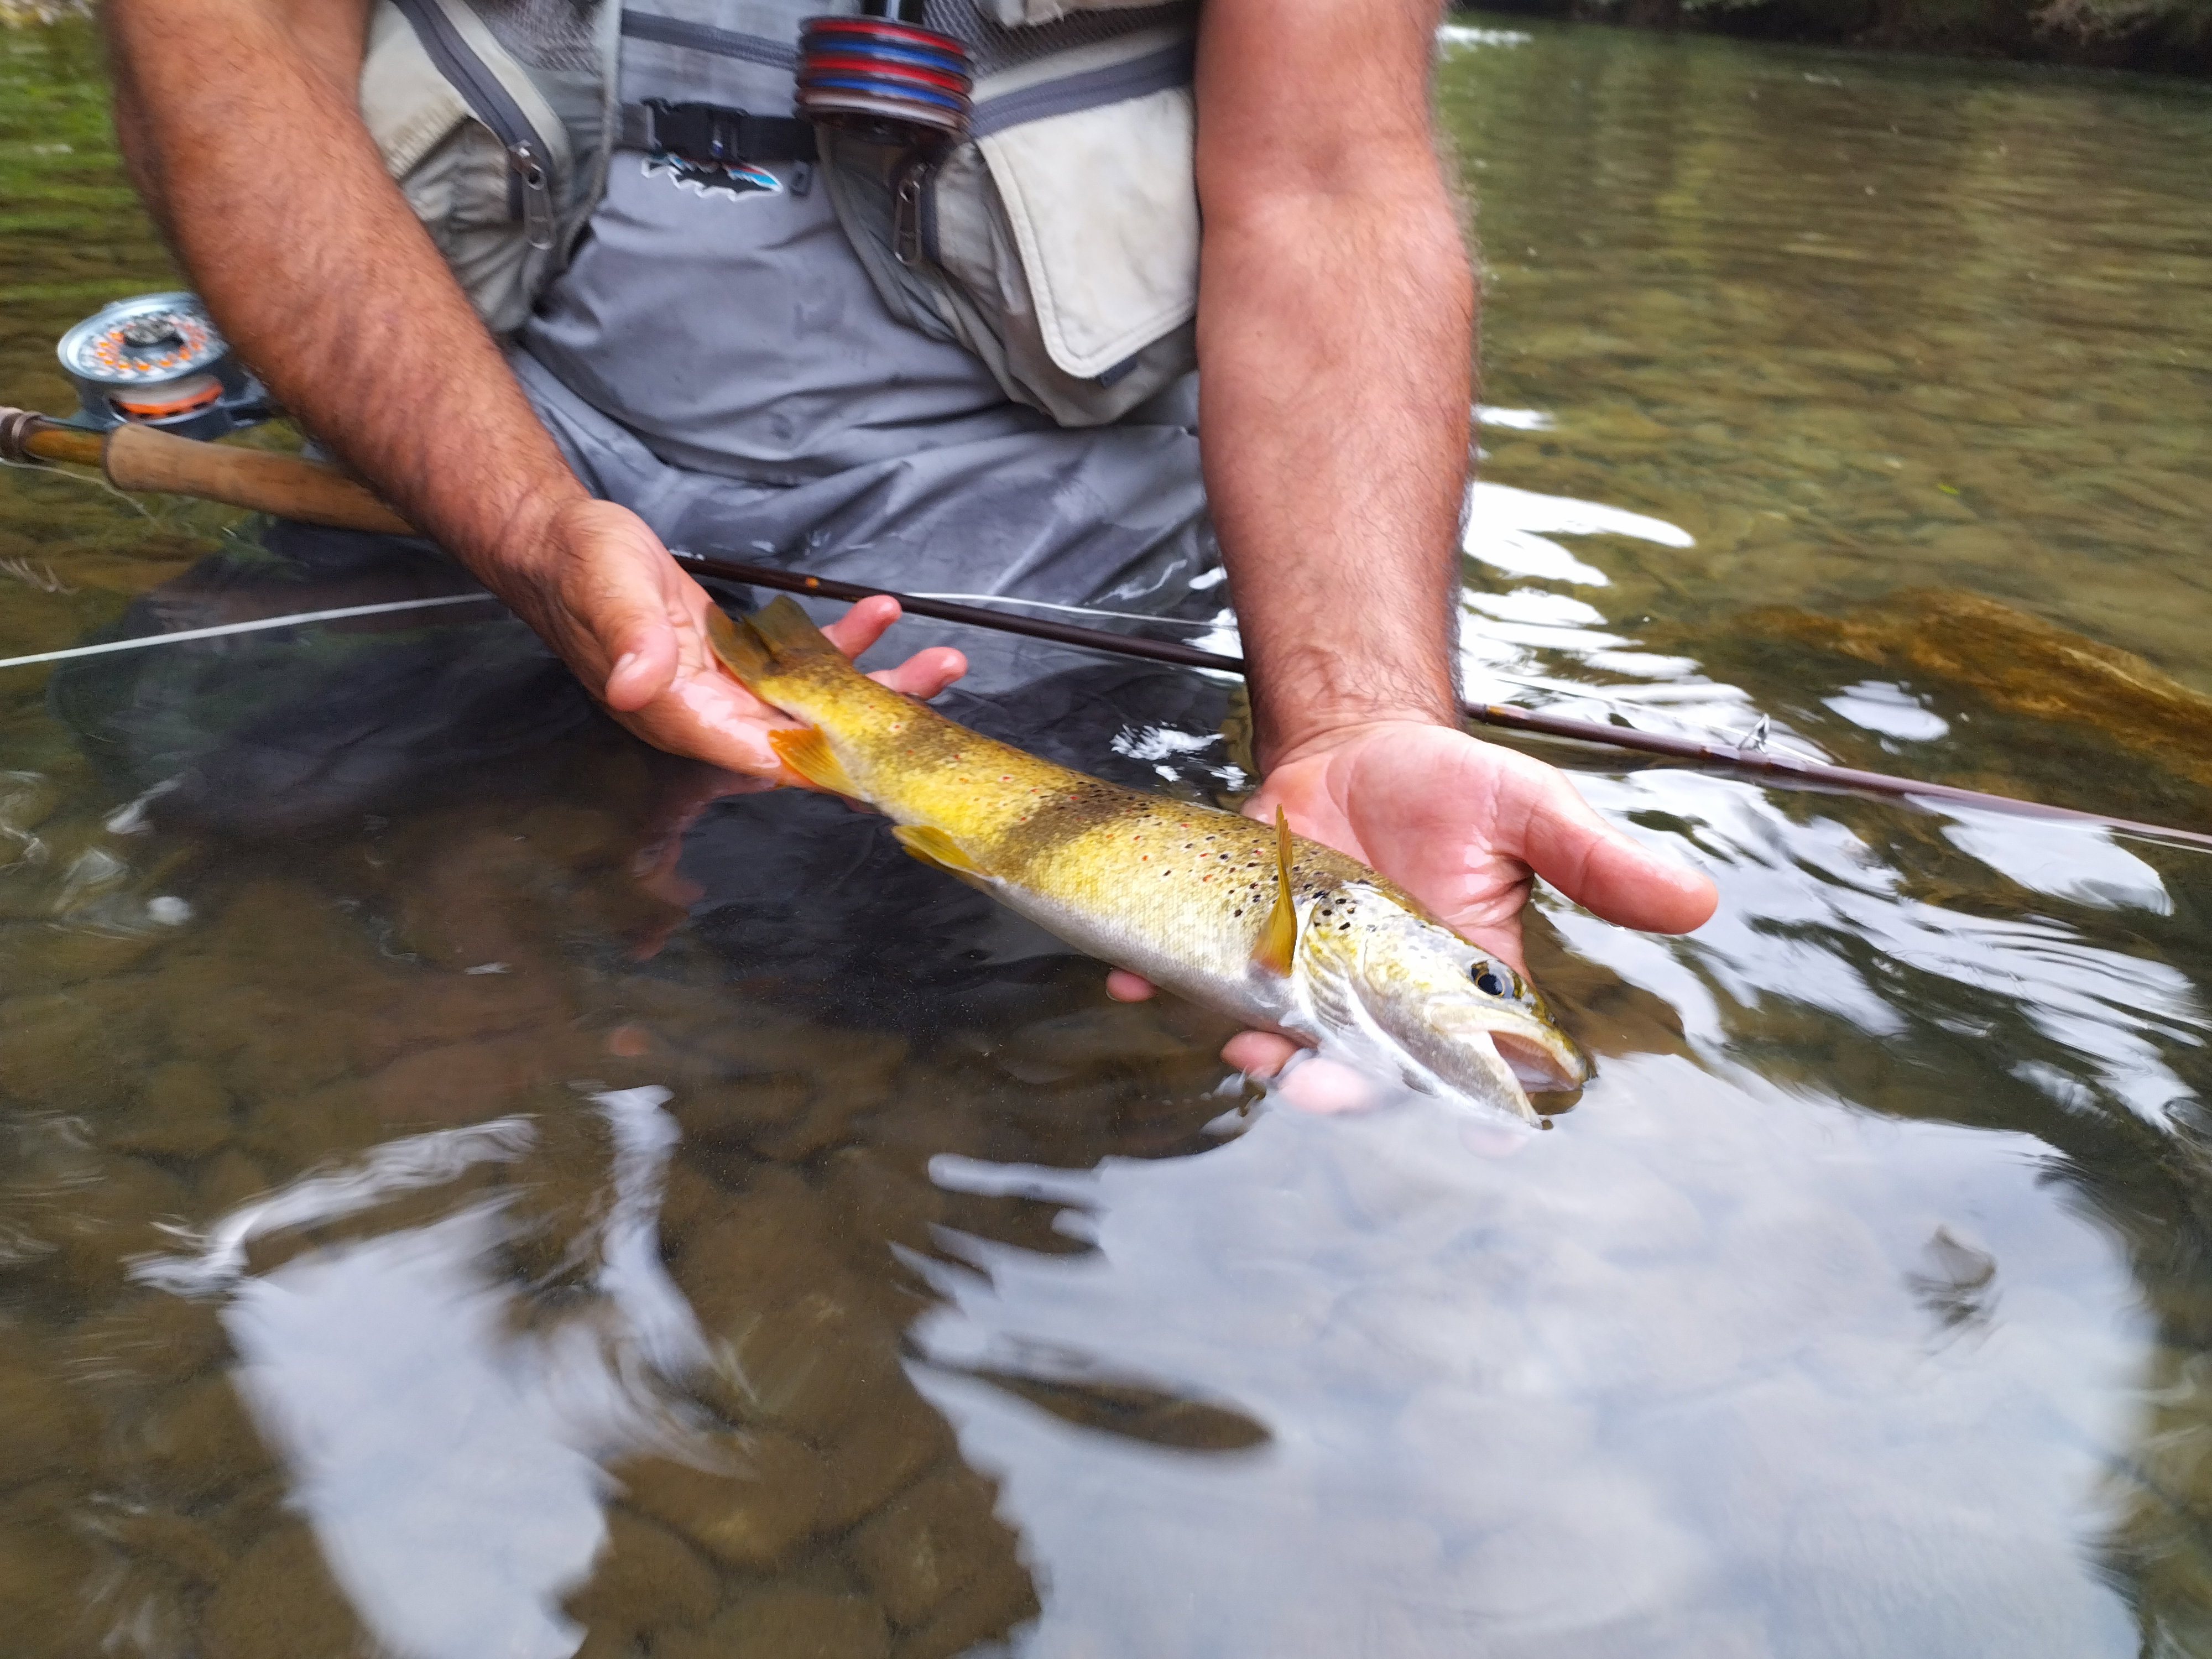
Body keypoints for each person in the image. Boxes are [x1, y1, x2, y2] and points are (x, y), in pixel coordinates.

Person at [100, 0, 1715, 1076]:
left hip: (1018, 535)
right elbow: (222, 50)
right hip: (468, 436)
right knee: (190, 786)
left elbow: (1330, 180)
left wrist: (1360, 709)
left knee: (898, 1012)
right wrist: (525, 530)